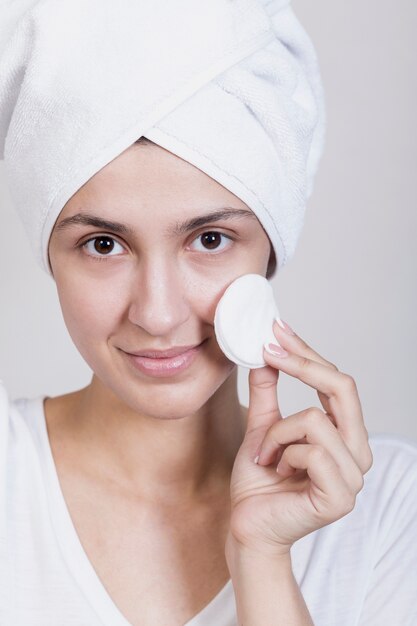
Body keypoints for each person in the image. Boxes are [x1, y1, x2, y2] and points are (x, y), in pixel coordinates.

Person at [1, 2, 416, 625]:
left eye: (210, 239)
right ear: (51, 256)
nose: (159, 313)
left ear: (270, 249)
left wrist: (263, 556)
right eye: (104, 244)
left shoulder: (387, 507)